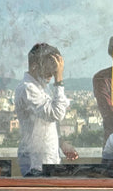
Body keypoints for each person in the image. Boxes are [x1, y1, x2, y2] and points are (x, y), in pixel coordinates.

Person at [15, 43, 78, 175]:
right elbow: (56, 113)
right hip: (35, 165)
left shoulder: (42, 86)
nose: (52, 73)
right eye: (50, 69)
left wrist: (61, 143)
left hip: (47, 162)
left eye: (55, 69)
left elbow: (45, 124)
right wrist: (59, 79)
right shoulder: (28, 88)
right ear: (35, 66)